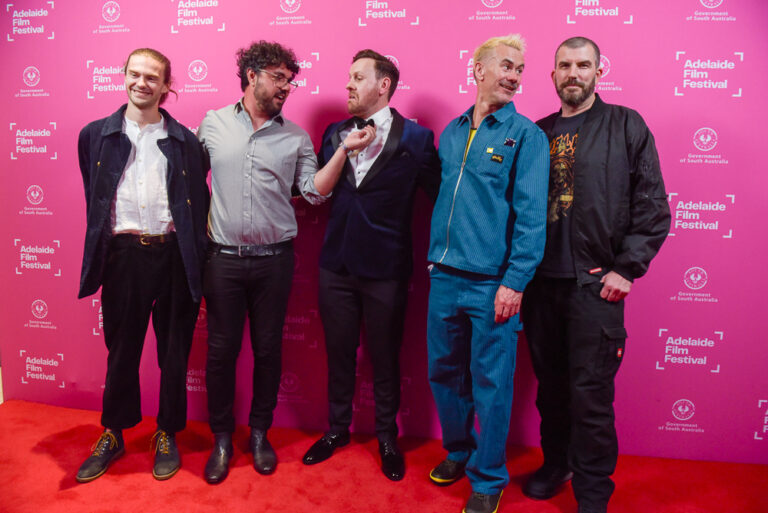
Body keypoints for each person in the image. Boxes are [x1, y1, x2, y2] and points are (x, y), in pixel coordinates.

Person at [198, 40, 375, 484]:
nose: (286, 87)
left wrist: (343, 150)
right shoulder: (212, 124)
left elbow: (314, 193)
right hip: (222, 260)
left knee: (268, 350)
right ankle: (222, 438)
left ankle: (260, 433)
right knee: (220, 353)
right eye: (278, 77)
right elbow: (187, 181)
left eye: (290, 81)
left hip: (274, 262)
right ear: (251, 75)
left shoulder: (295, 137)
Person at [521, 37, 670, 513]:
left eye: (583, 65)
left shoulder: (625, 125)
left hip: (594, 287)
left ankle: (592, 494)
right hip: (540, 285)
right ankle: (556, 465)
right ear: (553, 75)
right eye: (565, 65)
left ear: (598, 72)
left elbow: (653, 204)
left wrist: (627, 268)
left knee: (590, 397)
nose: (573, 73)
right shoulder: (536, 133)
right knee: (551, 392)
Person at [301, 49, 441, 481]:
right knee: (339, 354)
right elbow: (318, 189)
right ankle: (336, 430)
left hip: (386, 270)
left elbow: (441, 200)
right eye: (349, 76)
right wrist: (342, 151)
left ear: (383, 85)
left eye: (358, 77)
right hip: (336, 267)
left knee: (385, 357)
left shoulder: (417, 139)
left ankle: (386, 437)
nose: (348, 84)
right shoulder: (334, 133)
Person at [426, 34, 549, 513]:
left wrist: (514, 282)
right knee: (443, 373)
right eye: (506, 65)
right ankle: (459, 451)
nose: (514, 76)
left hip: (492, 284)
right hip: (443, 276)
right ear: (478, 69)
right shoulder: (452, 131)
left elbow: (532, 218)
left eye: (520, 69)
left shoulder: (527, 136)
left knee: (492, 385)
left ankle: (489, 479)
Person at [75, 48, 209, 482]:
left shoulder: (186, 141)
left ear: (166, 86)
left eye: (152, 77)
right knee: (121, 351)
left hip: (175, 256)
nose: (141, 83)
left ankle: (167, 432)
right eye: (135, 74)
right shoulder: (95, 135)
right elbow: (95, 197)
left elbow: (197, 203)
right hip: (124, 256)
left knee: (174, 353)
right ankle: (113, 433)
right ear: (124, 76)